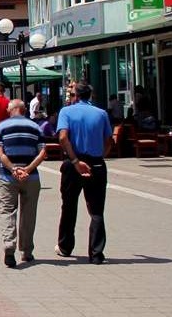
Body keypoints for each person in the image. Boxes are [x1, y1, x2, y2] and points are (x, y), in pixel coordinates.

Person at [55, 82, 113, 264]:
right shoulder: (101, 113)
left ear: (76, 96)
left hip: (74, 163)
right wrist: (99, 156)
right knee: (96, 210)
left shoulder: (66, 112)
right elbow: (109, 140)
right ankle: (96, 253)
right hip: (96, 164)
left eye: (71, 94)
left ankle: (65, 246)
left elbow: (63, 137)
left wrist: (74, 160)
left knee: (69, 206)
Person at [0, 99, 46, 268]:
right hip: (31, 178)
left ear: (15, 109)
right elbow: (43, 151)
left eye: (8, 108)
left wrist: (13, 168)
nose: (7, 111)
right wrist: (28, 169)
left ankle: (9, 245)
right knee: (28, 214)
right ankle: (26, 251)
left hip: (8, 177)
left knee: (7, 211)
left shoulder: (2, 126)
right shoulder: (35, 127)